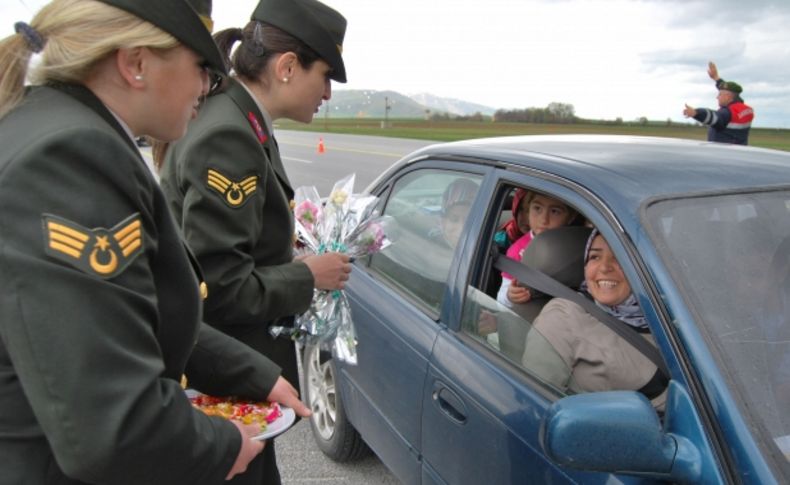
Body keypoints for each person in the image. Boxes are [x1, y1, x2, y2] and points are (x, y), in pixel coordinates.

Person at [0, 0, 310, 484]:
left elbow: (126, 310)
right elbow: (111, 423)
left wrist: (251, 373)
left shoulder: (59, 127)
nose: (210, 85)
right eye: (201, 67)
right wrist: (221, 444)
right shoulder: (72, 154)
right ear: (136, 63)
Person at [158, 0, 351, 483]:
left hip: (230, 376)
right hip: (224, 379)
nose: (327, 93)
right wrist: (308, 275)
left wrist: (289, 255)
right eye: (325, 76)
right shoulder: (230, 136)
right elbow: (218, 288)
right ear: (287, 67)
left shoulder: (238, 118)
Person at [521, 229, 667, 410]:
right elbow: (536, 404)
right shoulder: (565, 314)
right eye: (595, 257)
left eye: (620, 258)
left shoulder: (670, 314)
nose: (605, 267)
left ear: (641, 268)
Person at [497, 192, 578, 307]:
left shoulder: (577, 244)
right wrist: (510, 295)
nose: (544, 219)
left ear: (570, 217)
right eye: (537, 208)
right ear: (528, 211)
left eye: (554, 211)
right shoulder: (516, 250)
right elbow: (501, 299)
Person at [683, 61, 754, 145]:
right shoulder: (747, 110)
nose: (717, 97)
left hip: (724, 153)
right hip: (740, 150)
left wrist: (696, 113)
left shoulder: (727, 113)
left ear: (728, 97)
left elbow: (715, 118)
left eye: (719, 94)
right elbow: (729, 90)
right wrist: (716, 78)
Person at [434, 177, 480, 249]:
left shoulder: (485, 247)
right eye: (454, 219)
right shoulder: (430, 245)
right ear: (443, 221)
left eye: (470, 221)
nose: (461, 229)